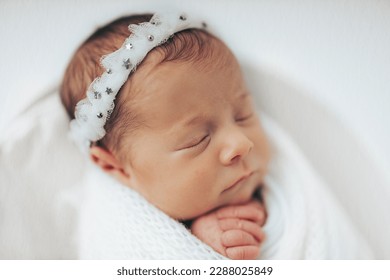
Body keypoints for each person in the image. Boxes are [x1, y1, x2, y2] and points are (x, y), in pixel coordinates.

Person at [60, 12, 270, 259]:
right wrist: (198, 245)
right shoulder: (120, 236)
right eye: (197, 140)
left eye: (243, 115)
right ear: (114, 166)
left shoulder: (277, 176)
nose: (241, 143)